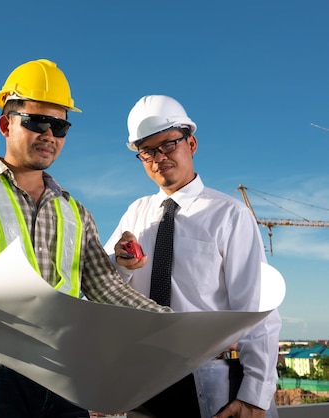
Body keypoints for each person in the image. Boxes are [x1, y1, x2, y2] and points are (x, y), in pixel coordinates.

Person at [0, 59, 172, 418]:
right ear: (6, 124)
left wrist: (172, 325)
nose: (49, 135)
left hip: (65, 374)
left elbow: (107, 287)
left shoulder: (76, 212)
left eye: (60, 125)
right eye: (37, 122)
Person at [103, 95, 282, 418]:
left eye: (168, 144)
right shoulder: (135, 213)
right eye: (147, 151)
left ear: (192, 143)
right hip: (143, 382)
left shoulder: (229, 215)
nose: (159, 158)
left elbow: (257, 310)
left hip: (208, 382)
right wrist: (120, 265)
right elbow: (102, 291)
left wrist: (255, 394)